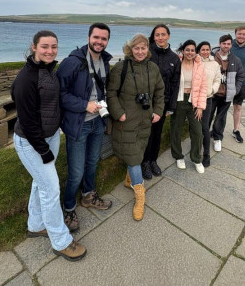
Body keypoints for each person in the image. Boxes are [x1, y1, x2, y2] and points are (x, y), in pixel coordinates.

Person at [11, 30, 86, 261]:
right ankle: (61, 241)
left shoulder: (48, 69)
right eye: (45, 46)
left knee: (40, 183)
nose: (50, 51)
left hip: (50, 136)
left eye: (54, 46)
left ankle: (36, 225)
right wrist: (43, 151)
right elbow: (28, 120)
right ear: (34, 47)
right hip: (32, 142)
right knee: (51, 189)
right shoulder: (27, 78)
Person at [56, 23, 113, 233]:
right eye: (96, 37)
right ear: (88, 37)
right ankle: (69, 208)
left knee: (91, 164)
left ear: (108, 41)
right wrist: (83, 105)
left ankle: (89, 196)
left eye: (104, 39)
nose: (99, 42)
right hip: (79, 125)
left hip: (98, 121)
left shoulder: (105, 61)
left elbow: (102, 91)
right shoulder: (72, 62)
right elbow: (59, 94)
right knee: (76, 171)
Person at [106, 33, 165, 221]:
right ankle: (140, 195)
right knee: (134, 159)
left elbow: (160, 92)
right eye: (136, 48)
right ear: (130, 49)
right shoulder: (120, 68)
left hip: (146, 121)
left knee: (138, 152)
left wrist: (158, 111)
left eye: (143, 48)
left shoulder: (153, 68)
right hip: (126, 121)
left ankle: (129, 180)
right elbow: (111, 93)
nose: (140, 51)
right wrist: (118, 113)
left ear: (148, 49)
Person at [141, 24, 181, 180]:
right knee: (146, 134)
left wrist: (171, 106)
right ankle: (144, 162)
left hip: (162, 103)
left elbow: (175, 83)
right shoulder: (146, 52)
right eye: (157, 35)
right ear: (154, 36)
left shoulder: (173, 58)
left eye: (163, 34)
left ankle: (153, 161)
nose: (160, 37)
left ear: (169, 36)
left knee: (157, 134)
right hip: (145, 102)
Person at [170, 40, 208, 173]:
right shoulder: (176, 63)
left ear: (195, 52)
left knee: (197, 132)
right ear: (183, 50)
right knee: (176, 129)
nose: (190, 52)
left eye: (192, 50)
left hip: (194, 101)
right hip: (179, 100)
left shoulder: (199, 66)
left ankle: (196, 158)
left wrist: (200, 107)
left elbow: (203, 87)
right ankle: (178, 156)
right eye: (187, 50)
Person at [209, 34, 244, 152]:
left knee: (221, 118)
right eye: (224, 43)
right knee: (207, 116)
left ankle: (217, 138)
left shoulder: (235, 60)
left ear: (231, 45)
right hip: (212, 94)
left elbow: (240, 76)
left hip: (227, 95)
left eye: (228, 44)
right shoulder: (211, 57)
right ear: (219, 44)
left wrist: (235, 90)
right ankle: (204, 135)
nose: (226, 46)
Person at [196, 41, 221, 167]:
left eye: (207, 49)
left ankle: (206, 154)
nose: (205, 51)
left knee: (205, 127)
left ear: (210, 50)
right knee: (195, 126)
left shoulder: (215, 64)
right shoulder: (194, 61)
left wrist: (211, 90)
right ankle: (195, 150)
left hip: (208, 98)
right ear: (199, 50)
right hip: (194, 99)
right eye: (202, 49)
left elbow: (218, 80)